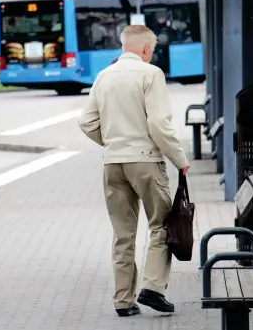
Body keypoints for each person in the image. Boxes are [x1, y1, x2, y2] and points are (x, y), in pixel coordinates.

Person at [78, 25, 190, 317]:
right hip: (145, 161)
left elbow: (87, 122)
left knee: (123, 234)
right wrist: (179, 159)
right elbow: (158, 124)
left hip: (113, 163)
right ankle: (153, 288)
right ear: (145, 49)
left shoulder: (103, 76)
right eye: (151, 49)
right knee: (162, 224)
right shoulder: (151, 74)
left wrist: (114, 143)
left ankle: (123, 301)